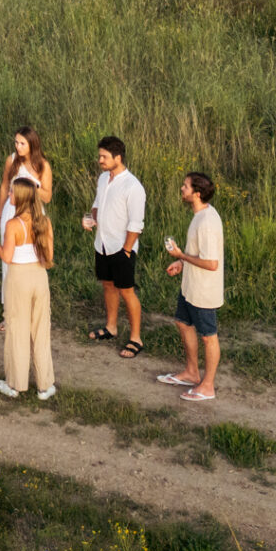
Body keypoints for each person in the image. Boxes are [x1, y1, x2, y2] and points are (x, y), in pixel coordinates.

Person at [0, 174, 56, 400]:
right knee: (41, 330)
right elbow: (49, 257)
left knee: (17, 329)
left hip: (18, 278)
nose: (9, 195)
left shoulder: (13, 224)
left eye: (12, 192)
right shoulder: (44, 222)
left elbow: (7, 256)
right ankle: (45, 386)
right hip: (39, 276)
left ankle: (15, 384)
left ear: (21, 197)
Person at [160, 171, 226, 399]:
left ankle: (207, 386)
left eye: (185, 186)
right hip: (191, 286)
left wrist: (182, 256)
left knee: (208, 336)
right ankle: (191, 372)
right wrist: (180, 261)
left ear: (197, 194)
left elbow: (211, 263)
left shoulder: (207, 222)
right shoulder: (200, 214)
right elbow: (200, 253)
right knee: (182, 322)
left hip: (204, 291)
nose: (181, 189)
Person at [79, 134, 146, 358]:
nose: (100, 160)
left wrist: (127, 250)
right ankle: (111, 327)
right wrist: (91, 218)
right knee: (108, 286)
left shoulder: (133, 186)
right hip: (102, 244)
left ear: (118, 157)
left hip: (121, 247)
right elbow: (97, 205)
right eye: (100, 156)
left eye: (104, 157)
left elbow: (136, 223)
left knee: (127, 292)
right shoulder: (102, 179)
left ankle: (136, 338)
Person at [0, 127, 53, 329]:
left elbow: (47, 196)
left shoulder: (42, 165)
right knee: (8, 262)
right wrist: (1, 213)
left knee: (33, 258)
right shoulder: (11, 160)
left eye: (22, 143)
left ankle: (32, 307)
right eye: (16, 142)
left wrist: (30, 186)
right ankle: (9, 312)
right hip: (12, 211)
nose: (17, 147)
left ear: (32, 144)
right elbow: (4, 186)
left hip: (34, 214)